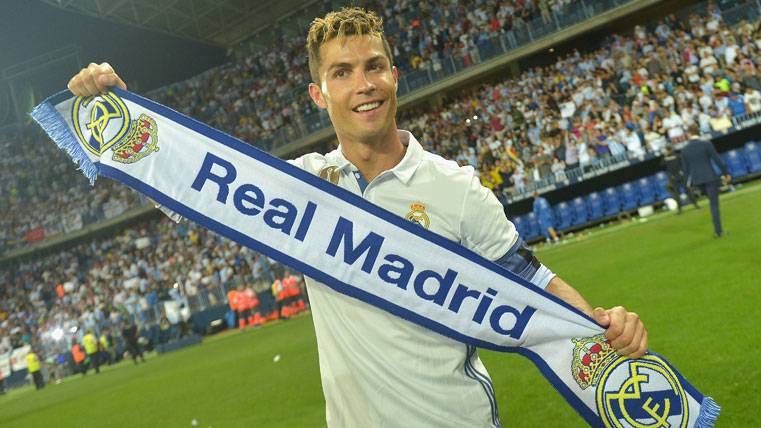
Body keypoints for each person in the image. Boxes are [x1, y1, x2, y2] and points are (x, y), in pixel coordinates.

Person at [67, 7, 648, 427]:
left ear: (395, 75)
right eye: (342, 73)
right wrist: (119, 116)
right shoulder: (299, 187)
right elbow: (192, 190)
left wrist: (605, 327)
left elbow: (531, 283)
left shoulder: (455, 188)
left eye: (374, 66)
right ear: (319, 95)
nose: (363, 85)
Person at [680, 126, 732, 237]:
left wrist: (686, 185)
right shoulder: (706, 144)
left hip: (697, 181)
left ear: (689, 134)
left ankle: (718, 230)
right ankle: (718, 231)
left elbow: (685, 170)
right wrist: (726, 173)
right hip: (710, 178)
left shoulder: (684, 150)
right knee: (714, 205)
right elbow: (717, 159)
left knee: (711, 202)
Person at [661, 145, 699, 214]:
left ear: (669, 150)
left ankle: (694, 205)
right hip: (676, 177)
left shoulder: (674, 156)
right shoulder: (672, 157)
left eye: (666, 150)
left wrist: (682, 172)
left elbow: (683, 164)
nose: (665, 152)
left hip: (677, 177)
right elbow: (662, 167)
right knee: (679, 193)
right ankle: (683, 208)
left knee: (685, 192)